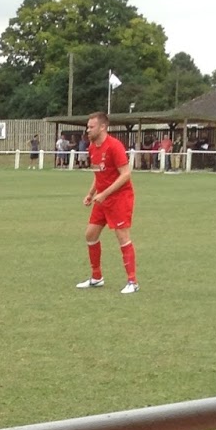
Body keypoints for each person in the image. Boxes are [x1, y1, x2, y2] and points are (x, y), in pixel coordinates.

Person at [76, 111, 138, 294]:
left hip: (119, 198)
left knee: (122, 236)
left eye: (91, 127)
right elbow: (99, 175)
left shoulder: (114, 146)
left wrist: (105, 193)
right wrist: (91, 193)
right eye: (87, 127)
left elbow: (126, 174)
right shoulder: (92, 147)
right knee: (90, 234)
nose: (88, 130)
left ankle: (132, 282)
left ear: (103, 127)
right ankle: (96, 278)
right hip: (102, 199)